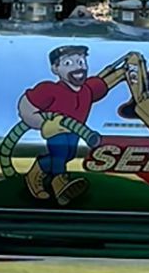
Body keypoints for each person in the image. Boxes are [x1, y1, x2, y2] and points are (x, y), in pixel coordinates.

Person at [16, 45, 126, 205]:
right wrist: (43, 123)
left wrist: (126, 71)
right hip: (56, 129)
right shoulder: (49, 89)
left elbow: (108, 81)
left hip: (75, 130)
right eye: (69, 64)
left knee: (69, 154)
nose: (78, 67)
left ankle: (35, 173)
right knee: (60, 152)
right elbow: (26, 106)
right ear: (55, 69)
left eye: (81, 62)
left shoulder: (87, 89)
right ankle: (59, 183)